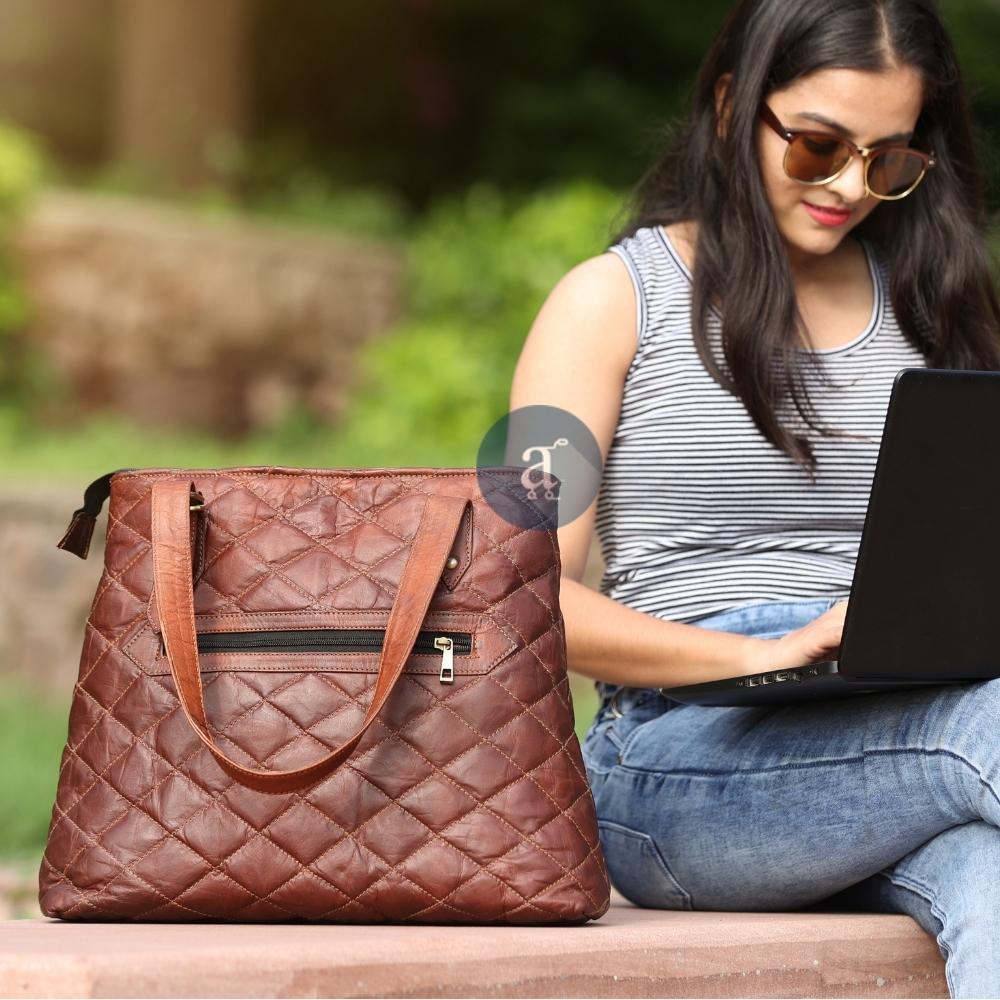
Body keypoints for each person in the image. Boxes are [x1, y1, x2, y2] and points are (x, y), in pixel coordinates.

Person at [509, 0, 1000, 996]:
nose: (850, 187)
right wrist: (757, 653)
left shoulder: (935, 310)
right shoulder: (608, 301)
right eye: (818, 146)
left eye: (888, 160)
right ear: (735, 106)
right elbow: (513, 596)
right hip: (676, 759)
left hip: (907, 725)